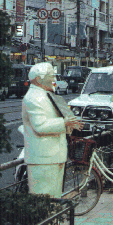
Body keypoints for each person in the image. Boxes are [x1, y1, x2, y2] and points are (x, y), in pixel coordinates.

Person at [22, 62, 83, 198]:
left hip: (54, 156)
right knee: (44, 197)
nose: (54, 80)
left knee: (54, 197)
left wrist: (69, 124)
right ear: (39, 79)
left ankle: (55, 220)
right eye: (51, 76)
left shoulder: (48, 95)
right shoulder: (33, 98)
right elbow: (40, 126)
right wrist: (64, 122)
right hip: (42, 158)